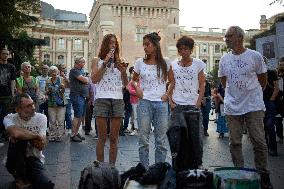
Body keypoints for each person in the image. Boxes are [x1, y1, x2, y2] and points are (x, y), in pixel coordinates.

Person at [218, 26, 272, 188]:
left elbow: (263, 80)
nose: (226, 39)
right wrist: (235, 95)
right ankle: (239, 173)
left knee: (258, 141)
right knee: (234, 142)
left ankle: (263, 175)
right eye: (225, 36)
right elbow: (223, 81)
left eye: (229, 36)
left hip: (253, 105)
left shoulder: (255, 56)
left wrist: (250, 94)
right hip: (232, 106)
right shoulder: (224, 59)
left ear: (240, 37)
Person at [132, 32, 169, 168]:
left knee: (161, 141)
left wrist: (167, 94)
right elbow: (133, 80)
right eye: (144, 45)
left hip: (161, 104)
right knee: (143, 139)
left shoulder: (165, 62)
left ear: (155, 45)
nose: (145, 47)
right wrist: (137, 88)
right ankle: (144, 169)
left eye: (147, 44)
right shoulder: (139, 62)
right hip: (144, 102)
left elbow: (173, 81)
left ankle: (158, 170)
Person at [167, 35, 205, 168]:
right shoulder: (173, 65)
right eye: (181, 49)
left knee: (195, 138)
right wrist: (171, 102)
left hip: (192, 105)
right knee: (176, 137)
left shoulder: (198, 64)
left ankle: (197, 164)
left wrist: (198, 102)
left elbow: (202, 84)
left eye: (186, 49)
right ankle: (177, 164)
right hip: (178, 105)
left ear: (191, 50)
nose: (184, 52)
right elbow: (171, 84)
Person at [91, 34, 128, 165]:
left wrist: (123, 71)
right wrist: (105, 63)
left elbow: (125, 83)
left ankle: (112, 168)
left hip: (117, 99)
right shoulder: (97, 60)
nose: (113, 45)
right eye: (110, 42)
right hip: (102, 99)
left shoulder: (121, 60)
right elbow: (94, 79)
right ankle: (100, 168)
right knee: (101, 137)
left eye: (115, 43)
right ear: (105, 44)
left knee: (114, 138)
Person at [4, 93, 54, 189]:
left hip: (34, 159)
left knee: (47, 184)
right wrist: (35, 136)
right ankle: (19, 177)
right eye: (28, 106)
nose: (33, 107)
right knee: (18, 140)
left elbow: (41, 145)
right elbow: (15, 133)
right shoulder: (10, 118)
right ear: (18, 109)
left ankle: (27, 176)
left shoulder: (41, 118)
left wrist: (25, 135)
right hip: (14, 161)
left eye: (33, 104)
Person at [69, 57, 89, 142]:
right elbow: (85, 80)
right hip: (76, 96)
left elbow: (87, 79)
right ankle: (73, 134)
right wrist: (87, 79)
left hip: (82, 96)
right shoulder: (74, 71)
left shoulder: (81, 71)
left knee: (80, 116)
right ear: (77, 63)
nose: (84, 63)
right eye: (82, 62)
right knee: (77, 116)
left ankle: (76, 133)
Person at [45, 66, 66, 142]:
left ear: (57, 72)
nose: (54, 73)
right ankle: (53, 135)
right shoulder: (48, 81)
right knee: (52, 120)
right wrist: (48, 91)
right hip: (51, 103)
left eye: (55, 71)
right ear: (50, 73)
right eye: (52, 71)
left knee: (60, 120)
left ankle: (59, 136)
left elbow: (63, 92)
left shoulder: (61, 79)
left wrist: (62, 88)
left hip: (60, 103)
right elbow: (46, 92)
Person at [0, 48, 16, 143]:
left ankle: (6, 134)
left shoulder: (11, 67)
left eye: (7, 54)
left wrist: (13, 94)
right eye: (3, 54)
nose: (5, 55)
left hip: (7, 95)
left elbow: (12, 81)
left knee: (7, 116)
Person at [263, 69, 279, 156]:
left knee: (270, 125)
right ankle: (265, 147)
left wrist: (271, 100)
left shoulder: (271, 73)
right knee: (262, 127)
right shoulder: (255, 73)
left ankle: (273, 148)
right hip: (259, 104)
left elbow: (277, 88)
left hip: (269, 103)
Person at [57, 63, 72, 132]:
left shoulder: (68, 75)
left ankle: (69, 127)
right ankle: (61, 128)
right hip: (59, 96)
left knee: (68, 113)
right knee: (60, 113)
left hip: (67, 97)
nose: (63, 69)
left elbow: (70, 85)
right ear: (59, 69)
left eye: (64, 68)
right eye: (62, 68)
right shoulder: (56, 76)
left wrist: (64, 77)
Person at [275, 57, 284, 144]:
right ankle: (280, 136)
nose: (280, 66)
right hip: (279, 102)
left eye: (282, 65)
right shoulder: (277, 75)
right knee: (278, 119)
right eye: (280, 65)